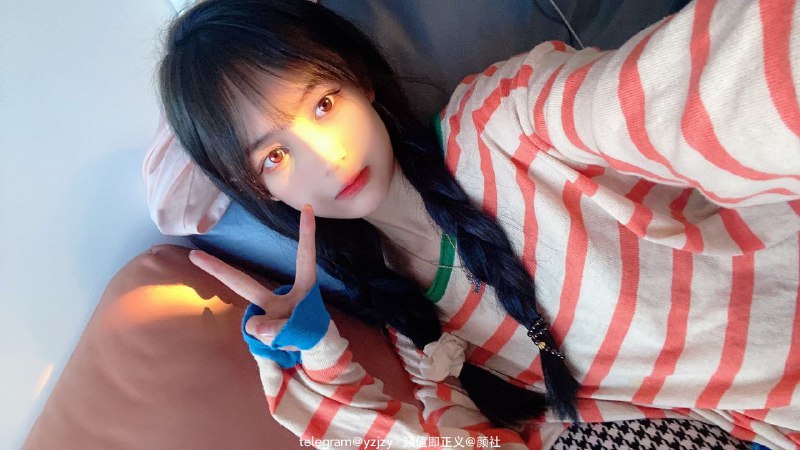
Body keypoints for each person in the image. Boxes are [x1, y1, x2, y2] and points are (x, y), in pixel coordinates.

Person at [148, 0, 800, 448]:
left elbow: (688, 95)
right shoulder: (416, 326)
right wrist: (323, 364)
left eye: (322, 104)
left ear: (359, 80)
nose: (326, 157)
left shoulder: (505, 123)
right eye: (275, 156)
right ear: (260, 191)